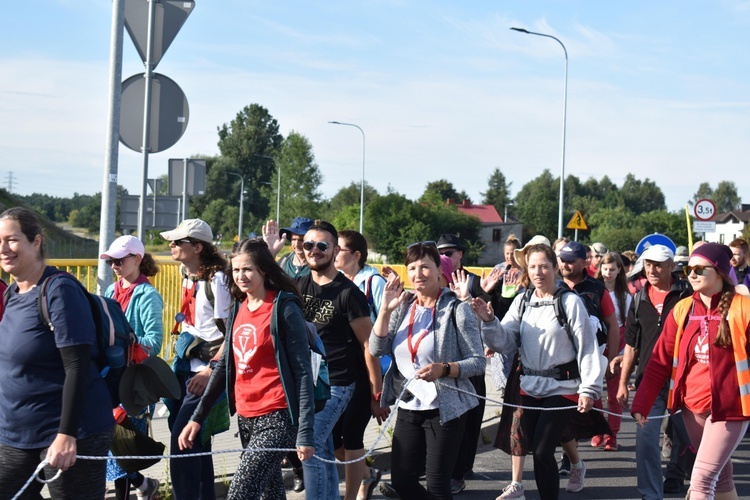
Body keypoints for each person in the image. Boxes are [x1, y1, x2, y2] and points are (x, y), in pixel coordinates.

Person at [178, 238, 316, 499]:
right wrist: (197, 417)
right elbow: (224, 366)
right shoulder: (239, 306)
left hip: (277, 415)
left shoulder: (283, 308)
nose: (241, 276)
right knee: (269, 493)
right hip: (245, 415)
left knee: (241, 492)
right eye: (236, 270)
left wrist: (305, 432)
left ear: (264, 269)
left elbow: (302, 373)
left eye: (248, 269)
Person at [0, 207, 114, 498]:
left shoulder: (59, 290)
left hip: (70, 433)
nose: (3, 249)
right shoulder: (12, 294)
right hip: (16, 435)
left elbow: (76, 366)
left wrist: (67, 434)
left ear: (36, 242)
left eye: (12, 240)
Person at [632, 243, 750, 500]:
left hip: (731, 409)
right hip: (691, 409)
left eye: (699, 269)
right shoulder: (682, 309)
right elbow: (659, 361)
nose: (692, 274)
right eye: (688, 269)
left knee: (700, 482)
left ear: (719, 272)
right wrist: (642, 401)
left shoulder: (743, 308)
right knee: (722, 480)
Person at [484, 244, 602, 500]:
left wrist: (589, 389)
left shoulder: (569, 302)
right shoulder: (523, 300)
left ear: (555, 267)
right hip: (530, 387)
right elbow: (505, 341)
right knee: (536, 449)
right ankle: (565, 475)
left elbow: (587, 347)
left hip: (564, 389)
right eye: (532, 267)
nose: (538, 272)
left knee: (541, 450)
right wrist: (489, 322)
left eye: (543, 266)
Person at [370, 241, 486, 499]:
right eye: (412, 267)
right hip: (410, 404)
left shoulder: (456, 308)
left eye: (425, 267)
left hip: (444, 409)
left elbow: (478, 362)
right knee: (401, 479)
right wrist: (385, 311)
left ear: (438, 271)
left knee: (437, 483)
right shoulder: (403, 305)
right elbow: (377, 349)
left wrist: (444, 369)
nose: (418, 273)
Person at [285, 220, 373, 500]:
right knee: (319, 449)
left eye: (322, 245)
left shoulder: (349, 293)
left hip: (338, 382)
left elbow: (369, 345)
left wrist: (376, 391)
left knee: (308, 444)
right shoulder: (297, 287)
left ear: (335, 250)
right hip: (306, 383)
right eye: (308, 244)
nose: (314, 250)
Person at [614, 244, 693, 498]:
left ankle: (690, 482)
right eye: (648, 264)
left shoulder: (688, 295)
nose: (652, 269)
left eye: (658, 264)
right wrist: (623, 382)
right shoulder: (639, 298)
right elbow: (631, 345)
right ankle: (651, 494)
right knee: (646, 440)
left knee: (689, 439)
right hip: (649, 381)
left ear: (672, 266)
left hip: (685, 382)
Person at [161, 219, 232, 500]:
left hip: (207, 370)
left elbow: (233, 333)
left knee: (182, 442)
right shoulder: (186, 272)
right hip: (187, 367)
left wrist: (211, 371)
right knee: (197, 441)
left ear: (198, 247)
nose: (172, 245)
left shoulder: (218, 281)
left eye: (179, 242)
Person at [101, 235, 164, 499]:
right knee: (113, 447)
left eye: (119, 260)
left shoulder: (147, 294)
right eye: (110, 261)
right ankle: (145, 486)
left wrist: (127, 342)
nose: (114, 265)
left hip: (133, 382)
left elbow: (155, 341)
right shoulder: (110, 291)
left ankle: (142, 487)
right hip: (110, 377)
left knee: (124, 447)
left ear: (137, 259)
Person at [556, 241, 619, 483]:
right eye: (562, 259)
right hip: (558, 360)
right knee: (561, 409)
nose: (565, 264)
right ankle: (568, 456)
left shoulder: (597, 288)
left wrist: (611, 359)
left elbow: (612, 325)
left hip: (588, 359)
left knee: (573, 409)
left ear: (584, 263)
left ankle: (568, 457)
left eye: (571, 260)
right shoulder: (554, 286)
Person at [333, 229, 390, 500]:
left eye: (339, 248)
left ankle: (356, 488)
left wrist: (377, 390)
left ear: (356, 255)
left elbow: (382, 330)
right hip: (339, 367)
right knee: (332, 438)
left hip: (368, 367)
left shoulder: (373, 282)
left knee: (352, 433)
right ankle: (366, 475)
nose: (333, 253)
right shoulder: (335, 281)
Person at [591, 252, 632, 451]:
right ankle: (598, 430)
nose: (608, 273)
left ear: (619, 271)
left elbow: (628, 325)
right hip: (599, 342)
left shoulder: (626, 296)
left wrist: (623, 353)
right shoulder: (595, 291)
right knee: (595, 391)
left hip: (620, 344)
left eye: (613, 269)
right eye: (605, 269)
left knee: (614, 394)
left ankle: (612, 434)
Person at [437, 234, 484, 298]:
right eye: (440, 254)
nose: (444, 257)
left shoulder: (473, 281)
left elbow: (485, 306)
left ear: (460, 254)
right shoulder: (433, 281)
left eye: (448, 253)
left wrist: (487, 292)